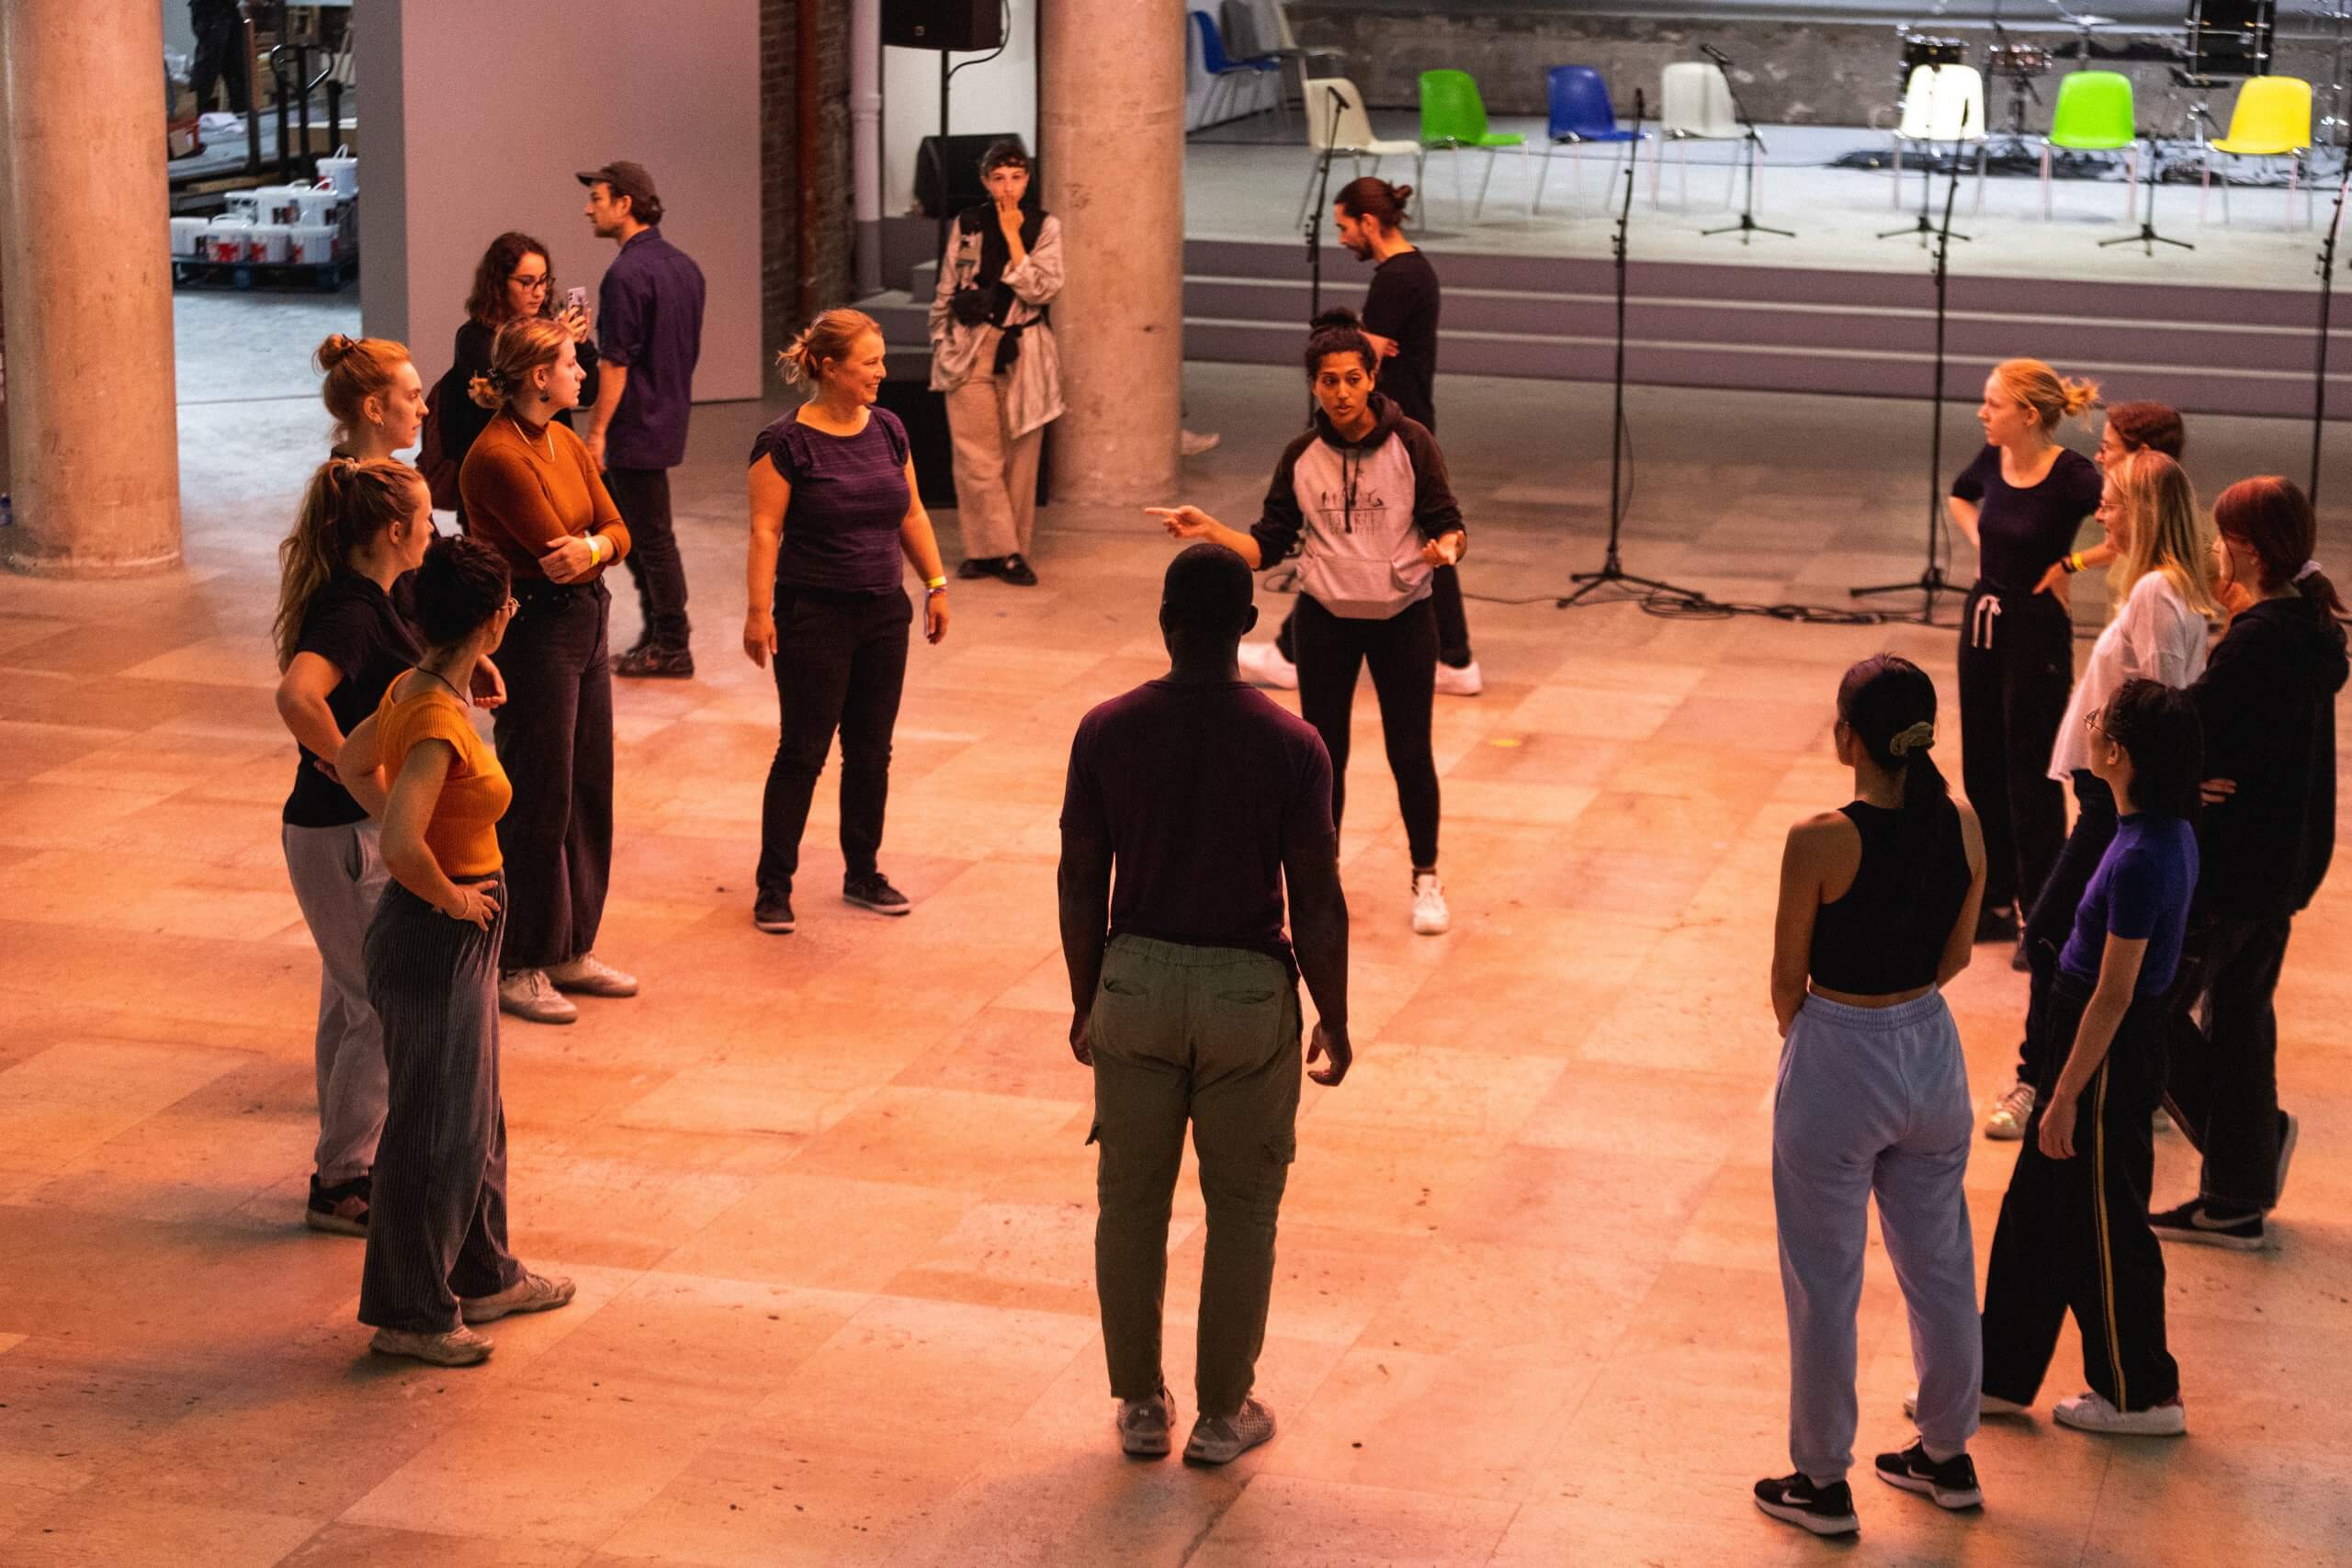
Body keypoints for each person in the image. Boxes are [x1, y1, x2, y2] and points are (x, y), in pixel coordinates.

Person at [1057, 542, 1352, 1466]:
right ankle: (1225, 1415)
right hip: (1244, 992)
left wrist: (1086, 999)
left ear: (1163, 621)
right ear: (1248, 627)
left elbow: (1079, 877)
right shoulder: (1292, 744)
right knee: (1242, 1207)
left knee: (1130, 1204)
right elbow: (1316, 895)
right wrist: (1334, 1014)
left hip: (1135, 983)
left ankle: (1142, 1406)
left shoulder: (1106, 730)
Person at [1755, 655, 1988, 1539]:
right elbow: (1957, 956)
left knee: (1824, 1280)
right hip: (1930, 1049)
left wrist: (1814, 1042)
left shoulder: (1819, 838)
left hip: (1839, 1052)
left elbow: (1787, 977)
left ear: (1848, 735)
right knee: (1940, 1265)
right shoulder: (1961, 822)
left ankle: (1822, 1480)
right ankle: (1945, 1453)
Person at [1148, 310, 1464, 936]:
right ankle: (1324, 875)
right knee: (1323, 754)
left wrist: (1446, 547)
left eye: (1352, 378)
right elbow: (1269, 543)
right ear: (1313, 387)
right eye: (1328, 381)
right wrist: (1209, 529)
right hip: (1328, 619)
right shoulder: (1302, 456)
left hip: (1403, 617)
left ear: (1372, 377)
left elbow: (1447, 521)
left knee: (1410, 751)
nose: (1341, 392)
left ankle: (1425, 876)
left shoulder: (1414, 444)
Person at [335, 535, 574, 1367]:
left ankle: (484, 1272)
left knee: (475, 1119)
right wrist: (448, 890)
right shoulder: (436, 714)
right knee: (435, 1129)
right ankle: (410, 1311)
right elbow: (400, 840)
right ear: (494, 618)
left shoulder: (420, 687)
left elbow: (352, 758)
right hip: (440, 933)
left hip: (450, 931)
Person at [1978, 679, 2203, 1437]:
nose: (2092, 722)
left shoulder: (2144, 855)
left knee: (2106, 1221)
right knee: (2036, 1212)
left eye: (2101, 720)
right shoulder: (2151, 831)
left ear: (2118, 754)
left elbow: (2115, 993)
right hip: (2087, 1039)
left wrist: (2065, 1091)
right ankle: (1999, 1374)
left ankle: (2141, 1393)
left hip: (2104, 1049)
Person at [1988, 450, 2219, 1141]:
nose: (2100, 511)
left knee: (2050, 932)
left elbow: (2161, 700)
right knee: (2079, 940)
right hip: (2112, 792)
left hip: (2114, 797)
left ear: (2142, 512)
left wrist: (2159, 776)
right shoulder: (2160, 586)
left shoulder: (2156, 592)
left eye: (2112, 501)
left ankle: (2037, 1080)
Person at [2154, 478, 2347, 1248]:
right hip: (2281, 862)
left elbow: (2191, 722)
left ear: (2248, 548)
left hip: (2237, 867)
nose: (2212, 544)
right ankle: (2238, 1185)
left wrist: (2171, 766)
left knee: (2148, 1013)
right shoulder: (2303, 624)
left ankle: (2248, 1153)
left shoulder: (2263, 638)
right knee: (2238, 1019)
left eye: (2223, 533)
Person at [744, 309, 950, 934]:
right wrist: (758, 612)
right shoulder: (785, 443)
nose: (882, 374)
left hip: (883, 610)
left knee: (871, 751)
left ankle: (863, 871)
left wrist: (936, 583)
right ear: (829, 368)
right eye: (870, 363)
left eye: (881, 361)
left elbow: (911, 512)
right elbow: (765, 530)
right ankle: (772, 887)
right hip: (814, 614)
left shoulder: (888, 428)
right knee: (802, 750)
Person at [458, 317, 638, 1025]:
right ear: (539, 376)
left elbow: (617, 532)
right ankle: (519, 959)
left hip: (584, 617)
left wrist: (593, 549)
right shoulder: (499, 456)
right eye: (571, 363)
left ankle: (570, 944)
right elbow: (547, 548)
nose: (582, 373)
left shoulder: (563, 440)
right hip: (533, 629)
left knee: (589, 786)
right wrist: (596, 546)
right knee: (538, 794)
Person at [1240, 177, 1483, 698]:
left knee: (1351, 540)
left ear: (1369, 223)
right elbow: (1373, 345)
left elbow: (1359, 351)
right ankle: (1454, 657)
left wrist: (1348, 337)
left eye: (1344, 227)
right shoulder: (1413, 269)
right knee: (1415, 540)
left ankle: (1292, 653)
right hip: (1408, 420)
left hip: (1396, 430)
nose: (1342, 237)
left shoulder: (1397, 278)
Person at [272, 460, 432, 1235]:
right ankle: (341, 1180)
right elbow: (297, 694)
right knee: (377, 1001)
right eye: (428, 518)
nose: (435, 530)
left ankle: (348, 1158)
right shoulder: (352, 611)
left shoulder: (375, 599)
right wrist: (346, 765)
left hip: (337, 831)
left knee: (349, 991)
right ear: (395, 532)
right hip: (338, 836)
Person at [1948, 359, 2102, 973]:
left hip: (2034, 632)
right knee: (1982, 765)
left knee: (2030, 771)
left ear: (2028, 415)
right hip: (1983, 623)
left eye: (1993, 404)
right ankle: (1990, 899)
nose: (1982, 414)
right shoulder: (1992, 459)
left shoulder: (2071, 475)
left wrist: (2072, 565)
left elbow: (2131, 519)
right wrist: (1984, 542)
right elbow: (1961, 494)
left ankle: (2042, 912)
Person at [579, 161, 707, 679]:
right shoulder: (685, 267)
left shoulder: (626, 274)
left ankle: (672, 643)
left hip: (634, 426)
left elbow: (617, 363)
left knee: (650, 538)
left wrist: (597, 432)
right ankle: (658, 635)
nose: (588, 208)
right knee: (641, 533)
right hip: (667, 417)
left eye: (598, 198)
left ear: (625, 203)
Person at [929, 138, 1063, 587]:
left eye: (1017, 176)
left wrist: (1012, 237)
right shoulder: (968, 223)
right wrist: (941, 341)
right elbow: (947, 287)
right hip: (969, 348)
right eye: (999, 177)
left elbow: (1043, 290)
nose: (1008, 187)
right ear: (986, 181)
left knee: (1020, 456)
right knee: (975, 457)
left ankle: (1008, 549)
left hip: (1024, 350)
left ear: (1028, 179)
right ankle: (995, 551)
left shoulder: (1045, 227)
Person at [439, 232, 602, 490]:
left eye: (543, 281)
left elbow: (589, 393)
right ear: (499, 283)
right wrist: (555, 347)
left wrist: (578, 345)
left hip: (551, 454)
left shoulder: (550, 327)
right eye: (526, 283)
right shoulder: (475, 337)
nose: (538, 293)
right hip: (499, 466)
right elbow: (498, 398)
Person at [2032, 400, 2187, 603]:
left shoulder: (2178, 550)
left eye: (2107, 447)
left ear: (2142, 454)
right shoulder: (2139, 523)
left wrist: (2068, 565)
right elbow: (2113, 547)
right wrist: (2068, 565)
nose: (2098, 457)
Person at [314, 333, 428, 465]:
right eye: (412, 396)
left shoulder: (337, 475)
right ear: (373, 409)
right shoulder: (374, 484)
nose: (424, 410)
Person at [187, 0, 250, 115]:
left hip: (228, 9)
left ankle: (242, 113)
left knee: (236, 65)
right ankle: (194, 115)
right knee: (209, 65)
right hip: (210, 10)